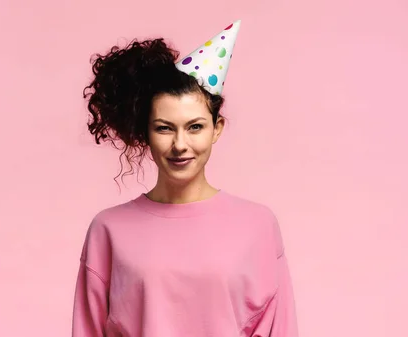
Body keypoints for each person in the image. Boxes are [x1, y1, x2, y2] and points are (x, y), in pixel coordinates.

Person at [72, 20, 299, 337]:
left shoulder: (258, 224)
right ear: (145, 133)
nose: (180, 144)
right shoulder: (108, 230)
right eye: (164, 127)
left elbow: (279, 327)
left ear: (216, 128)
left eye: (195, 127)